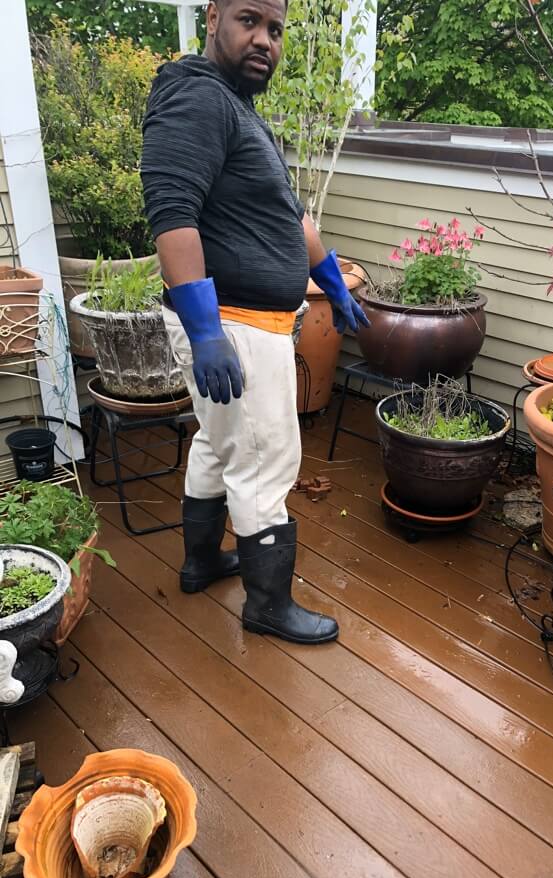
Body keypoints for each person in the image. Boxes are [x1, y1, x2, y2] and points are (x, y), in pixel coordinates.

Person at [141, 0, 369, 645]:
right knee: (266, 460)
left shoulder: (238, 109)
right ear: (212, 17)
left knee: (218, 445)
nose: (264, 39)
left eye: (275, 29)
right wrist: (206, 332)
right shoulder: (197, 98)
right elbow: (172, 213)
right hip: (234, 325)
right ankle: (268, 606)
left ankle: (201, 562)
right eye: (250, 21)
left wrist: (332, 284)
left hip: (242, 323)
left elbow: (291, 216)